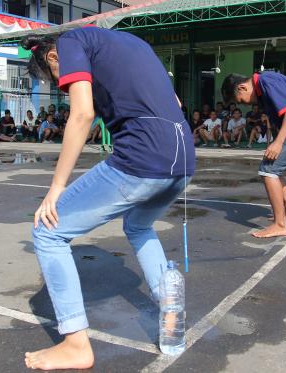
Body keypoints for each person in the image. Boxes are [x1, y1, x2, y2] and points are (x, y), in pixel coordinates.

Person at [21, 26, 194, 371]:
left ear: (53, 56)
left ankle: (75, 343)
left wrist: (57, 187)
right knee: (139, 225)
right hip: (184, 157)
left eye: (57, 76)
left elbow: (82, 113)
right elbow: (173, 102)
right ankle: (171, 313)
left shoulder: (69, 43)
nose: (64, 83)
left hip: (142, 158)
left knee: (48, 232)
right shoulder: (131, 43)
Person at [221, 71, 286, 238]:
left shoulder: (266, 81)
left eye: (240, 100)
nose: (244, 105)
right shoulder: (263, 89)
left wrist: (278, 143)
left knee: (268, 169)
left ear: (242, 87)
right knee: (273, 165)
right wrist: (276, 142)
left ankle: (280, 225)